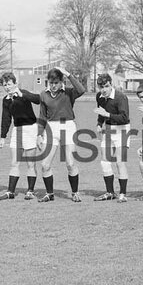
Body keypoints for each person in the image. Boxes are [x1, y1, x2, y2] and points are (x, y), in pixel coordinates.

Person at [35, 67, 85, 203]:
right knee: (45, 165)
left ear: (61, 82)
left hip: (68, 126)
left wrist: (68, 74)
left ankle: (75, 192)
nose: (53, 86)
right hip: (51, 128)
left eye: (56, 83)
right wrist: (39, 135)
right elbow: (42, 116)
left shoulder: (68, 92)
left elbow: (81, 90)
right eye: (51, 83)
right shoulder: (43, 95)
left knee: (70, 163)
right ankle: (49, 194)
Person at [0, 71, 42, 200]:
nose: (7, 87)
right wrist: (2, 137)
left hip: (30, 129)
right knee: (14, 163)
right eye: (5, 85)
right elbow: (6, 118)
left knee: (30, 163)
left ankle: (30, 191)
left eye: (9, 84)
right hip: (17, 131)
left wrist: (23, 95)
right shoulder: (6, 100)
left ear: (15, 84)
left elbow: (38, 99)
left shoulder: (23, 94)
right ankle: (10, 192)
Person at [93, 73, 132, 203]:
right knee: (104, 162)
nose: (103, 90)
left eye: (106, 86)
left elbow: (124, 118)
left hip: (122, 129)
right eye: (101, 87)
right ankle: (110, 192)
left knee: (120, 162)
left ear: (111, 85)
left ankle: (123, 194)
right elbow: (101, 113)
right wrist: (99, 124)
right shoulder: (99, 97)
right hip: (109, 129)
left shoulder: (121, 97)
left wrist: (107, 114)